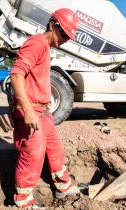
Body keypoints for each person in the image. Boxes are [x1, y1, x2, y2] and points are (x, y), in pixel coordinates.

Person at [10, 8, 79, 208]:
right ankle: (23, 201)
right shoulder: (37, 42)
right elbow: (16, 75)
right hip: (31, 110)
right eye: (63, 33)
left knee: (55, 150)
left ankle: (63, 187)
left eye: (68, 36)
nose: (66, 39)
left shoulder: (46, 47)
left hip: (43, 111)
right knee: (33, 155)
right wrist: (28, 110)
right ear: (52, 25)